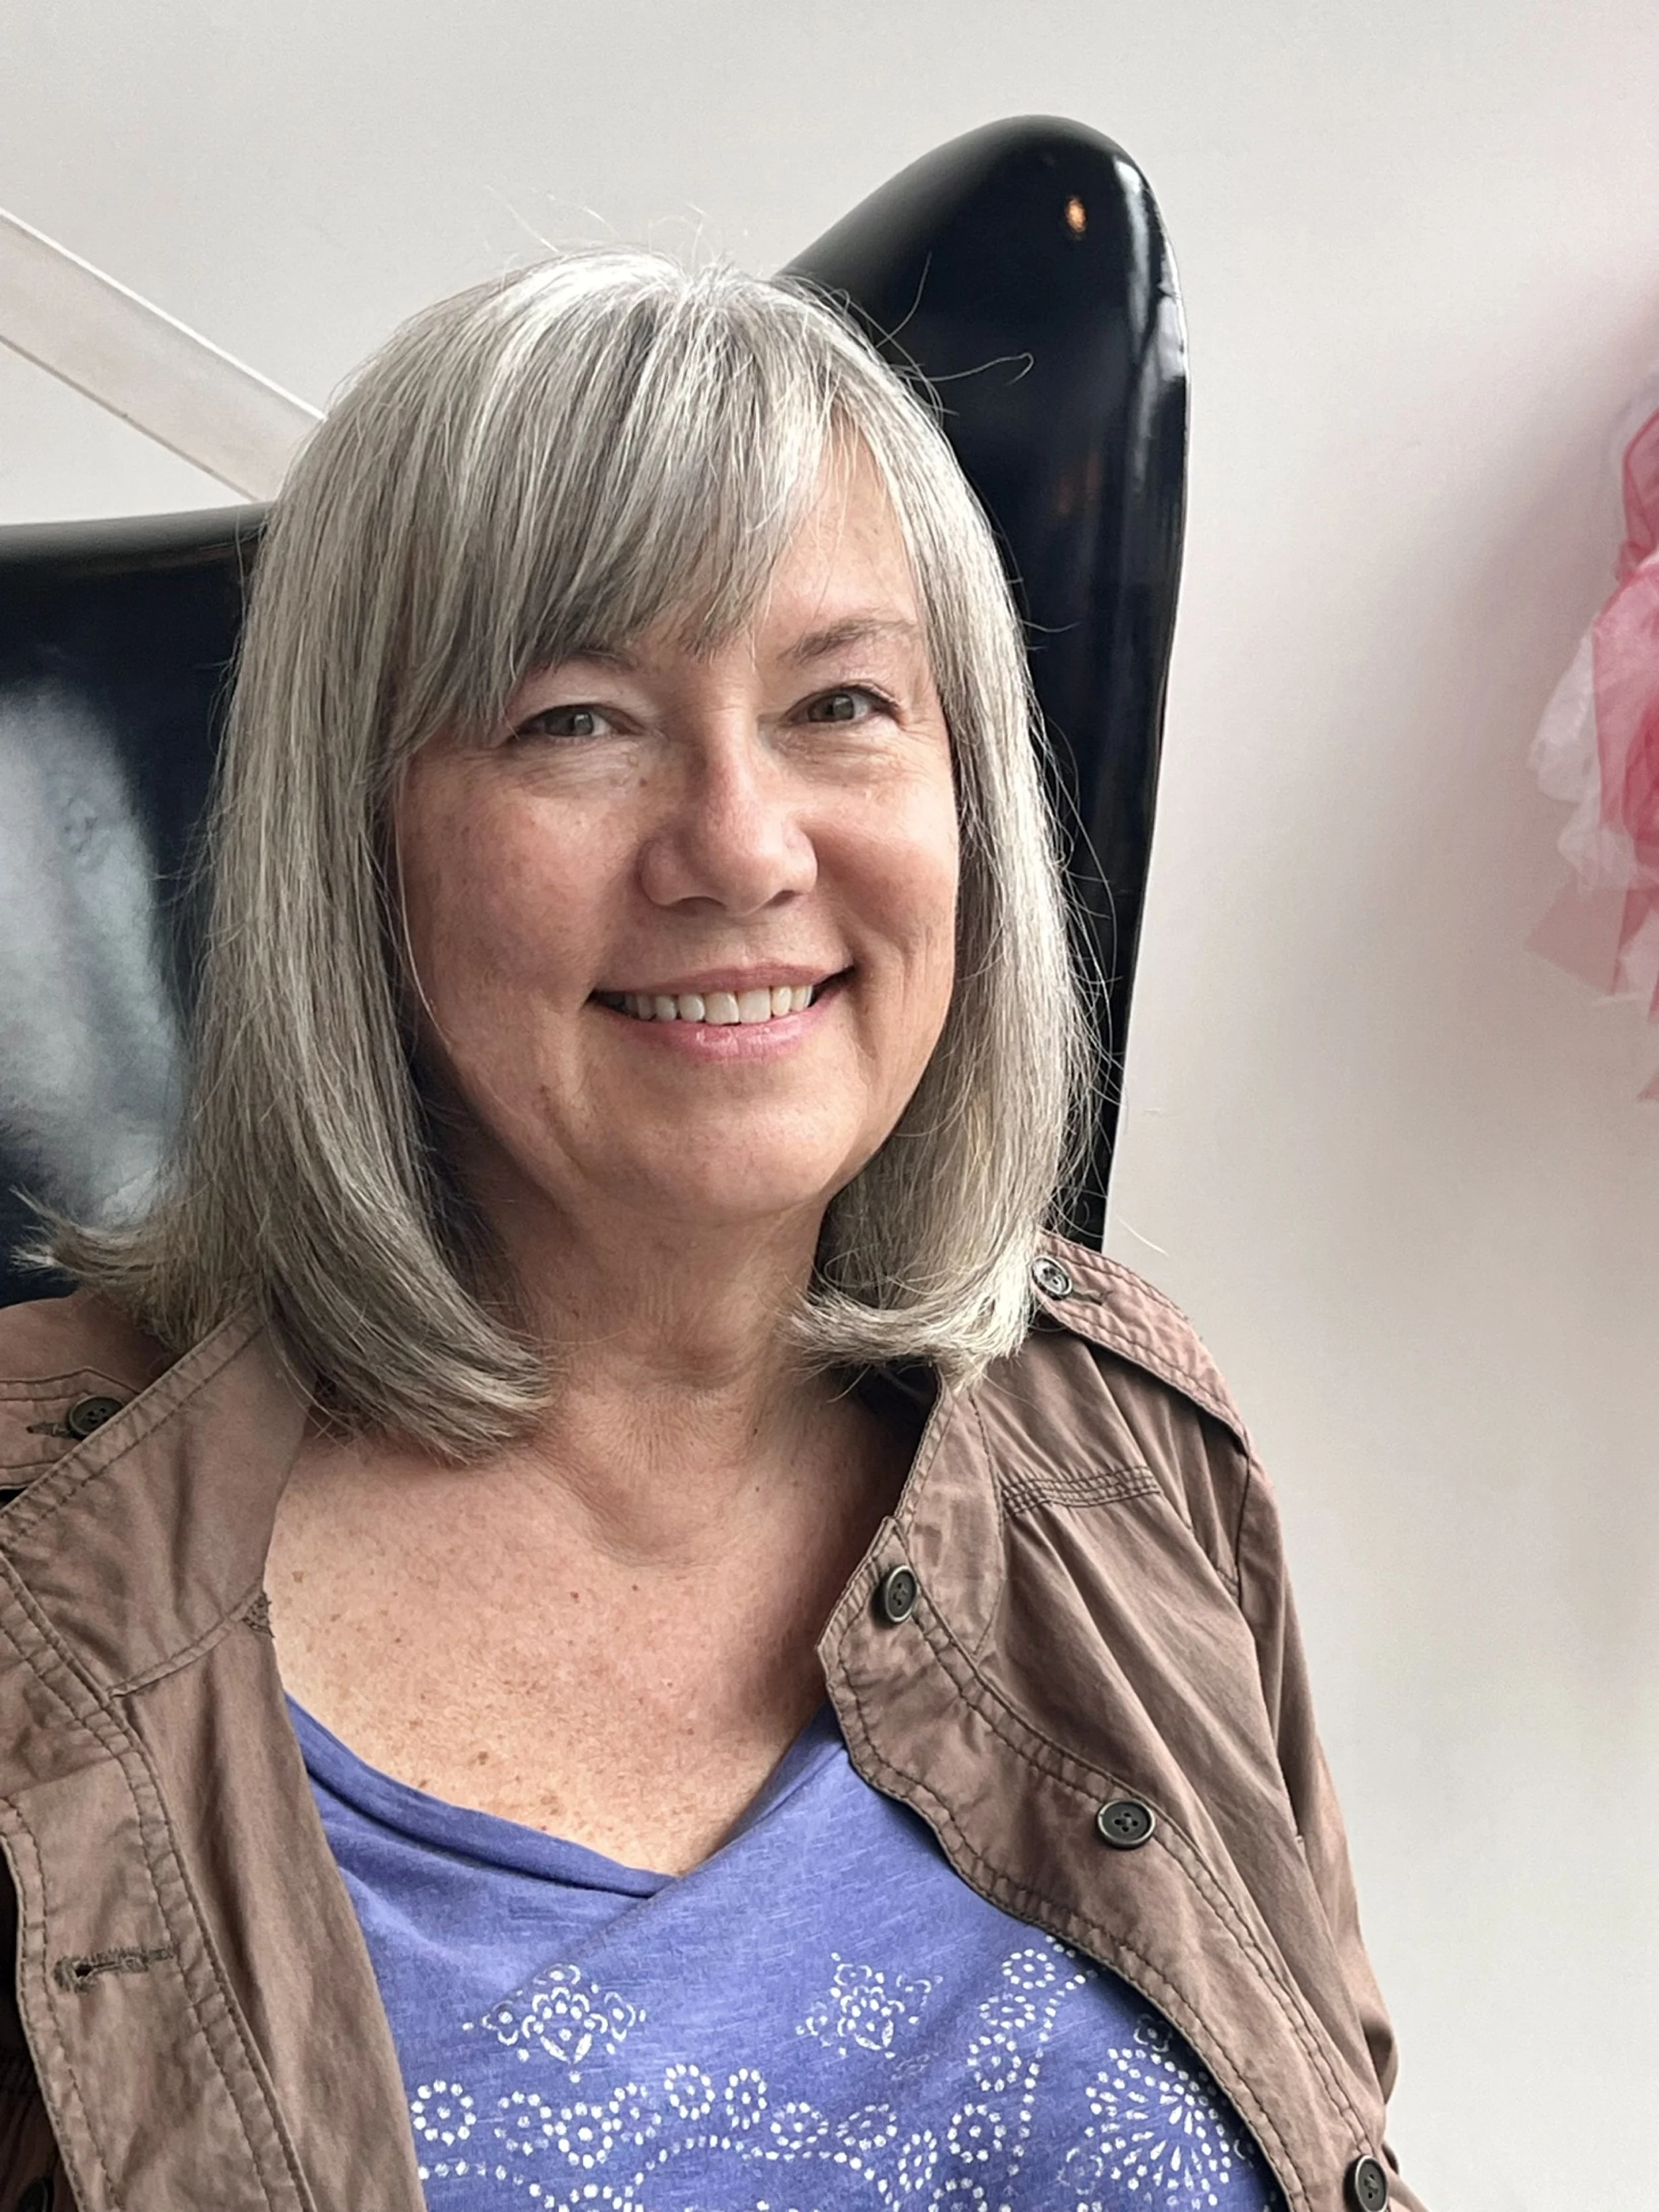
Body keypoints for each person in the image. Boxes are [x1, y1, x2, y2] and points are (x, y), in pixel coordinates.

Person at [0, 253, 1424, 2212]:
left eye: (840, 701)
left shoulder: (1118, 1430)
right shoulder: (27, 1576)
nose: (743, 845)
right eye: (579, 721)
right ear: (353, 840)